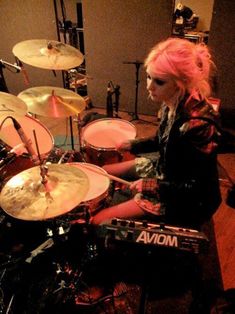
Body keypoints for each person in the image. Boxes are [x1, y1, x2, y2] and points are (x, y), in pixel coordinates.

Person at [90, 37, 222, 230]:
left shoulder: (198, 124)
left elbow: (195, 189)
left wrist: (151, 186)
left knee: (98, 220)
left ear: (180, 83)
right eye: (149, 76)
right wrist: (133, 144)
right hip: (167, 169)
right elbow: (163, 141)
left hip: (187, 201)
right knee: (102, 172)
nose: (149, 86)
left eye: (158, 81)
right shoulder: (174, 98)